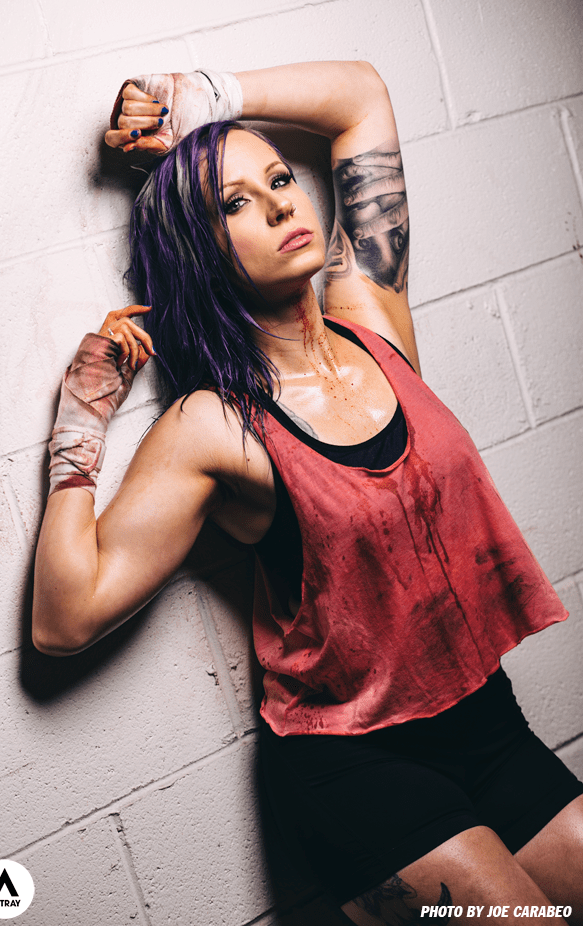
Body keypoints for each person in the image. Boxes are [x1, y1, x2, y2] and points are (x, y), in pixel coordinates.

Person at [33, 62, 583, 924]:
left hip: (485, 720)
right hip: (356, 767)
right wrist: (79, 425)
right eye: (234, 204)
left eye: (280, 180)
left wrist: (201, 97)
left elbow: (360, 97)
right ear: (199, 252)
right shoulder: (216, 425)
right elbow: (63, 621)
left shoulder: (374, 321)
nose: (280, 206)